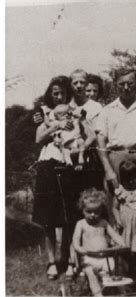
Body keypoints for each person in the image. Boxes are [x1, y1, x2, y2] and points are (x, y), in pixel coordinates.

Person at [96, 69, 136, 221]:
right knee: (116, 203)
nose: (126, 87)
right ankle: (119, 240)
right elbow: (100, 142)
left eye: (130, 83)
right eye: (122, 84)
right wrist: (108, 170)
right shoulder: (107, 110)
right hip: (116, 159)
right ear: (115, 85)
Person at [32, 76, 75, 280]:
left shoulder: (72, 111)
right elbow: (39, 138)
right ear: (50, 94)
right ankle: (51, 261)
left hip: (66, 164)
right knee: (48, 218)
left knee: (67, 215)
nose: (59, 97)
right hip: (47, 164)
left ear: (67, 94)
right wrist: (56, 126)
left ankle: (68, 260)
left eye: (62, 93)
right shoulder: (44, 113)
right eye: (55, 93)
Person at [72, 188, 126, 296]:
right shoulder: (81, 224)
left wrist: (122, 243)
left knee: (114, 268)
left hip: (105, 258)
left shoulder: (103, 223)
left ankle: (119, 291)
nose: (93, 215)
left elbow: (114, 235)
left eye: (96, 212)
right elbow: (75, 240)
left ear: (101, 211)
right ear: (82, 210)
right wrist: (79, 248)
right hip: (89, 258)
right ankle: (98, 295)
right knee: (90, 272)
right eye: (89, 212)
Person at [112, 159, 136, 288]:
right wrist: (117, 219)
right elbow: (115, 207)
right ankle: (126, 284)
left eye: (133, 178)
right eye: (127, 180)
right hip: (126, 228)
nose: (131, 182)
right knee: (125, 256)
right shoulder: (121, 192)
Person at [48, 104, 95, 169]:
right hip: (66, 143)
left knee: (81, 143)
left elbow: (80, 117)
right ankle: (69, 163)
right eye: (62, 115)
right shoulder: (58, 124)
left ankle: (81, 156)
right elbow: (51, 125)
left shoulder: (73, 120)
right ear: (57, 117)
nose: (66, 116)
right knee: (65, 152)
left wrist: (77, 115)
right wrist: (58, 124)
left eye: (67, 113)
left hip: (77, 139)